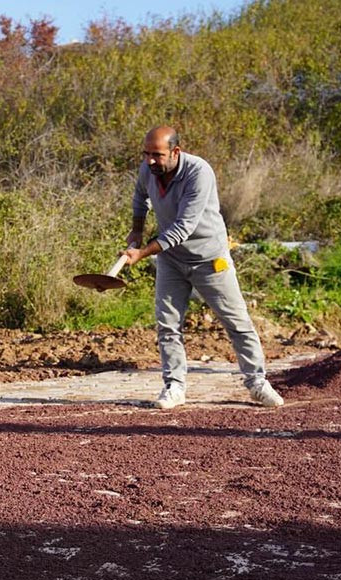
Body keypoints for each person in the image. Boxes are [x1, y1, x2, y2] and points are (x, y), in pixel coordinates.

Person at [121, 126, 284, 410]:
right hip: (171, 260)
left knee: (236, 322)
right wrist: (136, 231)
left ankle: (257, 383)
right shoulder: (148, 169)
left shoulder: (199, 172)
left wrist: (143, 252)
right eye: (145, 153)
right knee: (167, 324)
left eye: (156, 155)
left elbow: (183, 227)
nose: (149, 161)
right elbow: (140, 198)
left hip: (209, 258)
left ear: (175, 152)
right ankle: (174, 387)